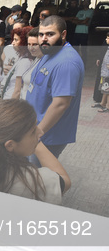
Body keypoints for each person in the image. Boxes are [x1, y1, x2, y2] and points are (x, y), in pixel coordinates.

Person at [0, 99, 70, 205]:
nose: (40, 131)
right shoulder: (28, 181)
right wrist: (38, 142)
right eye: (33, 131)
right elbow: (65, 181)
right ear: (10, 145)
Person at [26, 15, 84, 163]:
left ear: (63, 35)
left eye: (50, 34)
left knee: (38, 176)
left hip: (48, 134)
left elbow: (61, 103)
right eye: (41, 34)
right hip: (35, 127)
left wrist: (39, 132)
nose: (44, 39)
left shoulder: (67, 63)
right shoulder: (50, 52)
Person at [0, 26, 33, 100]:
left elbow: (17, 90)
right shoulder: (22, 58)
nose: (13, 43)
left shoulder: (25, 62)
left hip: (11, 100)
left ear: (23, 42)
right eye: (13, 39)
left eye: (16, 40)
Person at [21, 27, 43, 100]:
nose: (31, 48)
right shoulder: (36, 58)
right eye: (29, 44)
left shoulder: (45, 63)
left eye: (35, 44)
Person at [93, 32, 109, 113]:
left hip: (107, 72)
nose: (106, 39)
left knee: (107, 88)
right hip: (104, 71)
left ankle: (107, 106)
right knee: (104, 87)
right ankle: (102, 103)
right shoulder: (107, 47)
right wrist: (99, 58)